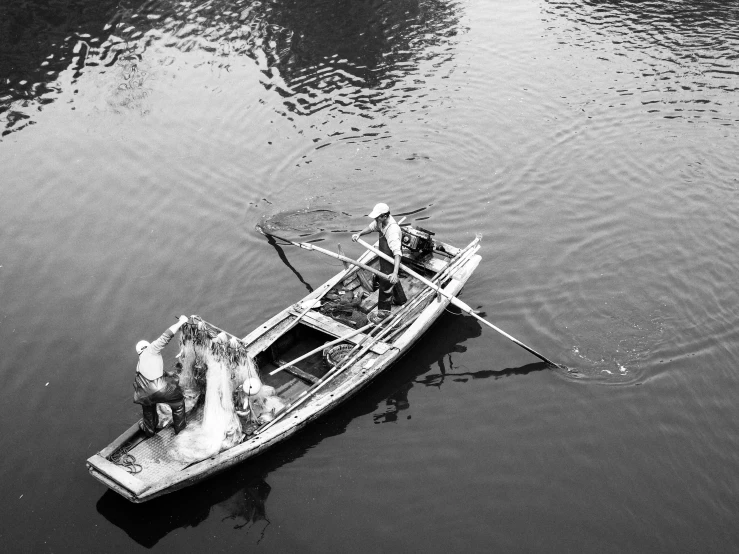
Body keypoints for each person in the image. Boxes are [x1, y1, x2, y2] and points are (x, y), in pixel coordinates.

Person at [133, 315, 190, 437]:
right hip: (159, 388)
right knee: (178, 402)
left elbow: (151, 374)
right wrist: (181, 322)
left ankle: (149, 430)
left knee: (148, 408)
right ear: (147, 346)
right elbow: (167, 335)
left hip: (143, 393)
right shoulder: (151, 349)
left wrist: (168, 374)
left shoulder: (139, 364)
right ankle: (180, 431)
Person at [352, 202, 407, 315]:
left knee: (386, 283)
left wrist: (395, 272)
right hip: (384, 254)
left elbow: (397, 253)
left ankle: (383, 314)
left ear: (385, 216)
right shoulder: (380, 222)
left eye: (378, 217)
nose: (376, 219)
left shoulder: (392, 231)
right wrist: (359, 234)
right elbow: (371, 228)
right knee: (390, 278)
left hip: (392, 256)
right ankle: (401, 299)